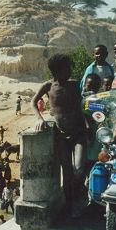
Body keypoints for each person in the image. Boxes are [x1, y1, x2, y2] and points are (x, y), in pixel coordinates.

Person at [32, 54, 87, 215]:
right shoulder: (48, 86)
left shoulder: (75, 84)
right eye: (67, 68)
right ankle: (70, 206)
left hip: (78, 133)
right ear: (56, 70)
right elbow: (33, 102)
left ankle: (79, 194)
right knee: (67, 173)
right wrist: (39, 118)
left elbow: (85, 102)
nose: (70, 71)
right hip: (61, 135)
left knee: (79, 168)